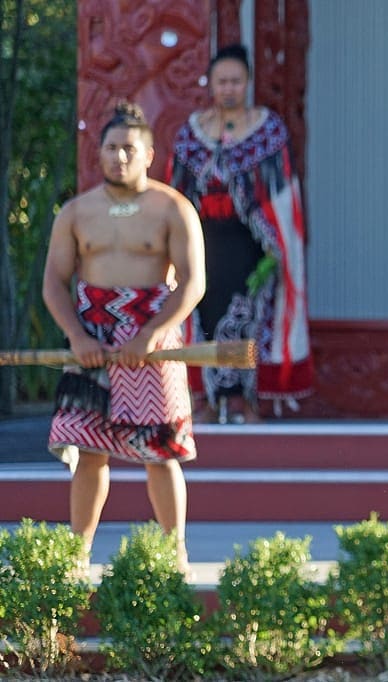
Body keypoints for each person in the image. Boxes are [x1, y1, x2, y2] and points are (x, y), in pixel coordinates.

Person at [42, 102, 205, 574]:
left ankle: (175, 554)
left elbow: (193, 283)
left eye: (129, 149)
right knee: (88, 450)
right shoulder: (76, 211)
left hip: (153, 341)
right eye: (111, 148)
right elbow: (55, 281)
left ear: (149, 153)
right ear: (100, 153)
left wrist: (150, 335)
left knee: (162, 452)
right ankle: (77, 556)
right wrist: (76, 335)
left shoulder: (173, 207)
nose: (120, 157)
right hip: (91, 337)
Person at [169, 43, 312, 424]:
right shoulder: (192, 135)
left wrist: (275, 248)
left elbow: (283, 197)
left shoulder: (269, 131)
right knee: (202, 313)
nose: (229, 88)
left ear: (247, 83)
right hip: (203, 242)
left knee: (247, 316)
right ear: (211, 85)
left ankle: (242, 398)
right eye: (222, 81)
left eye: (236, 81)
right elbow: (177, 194)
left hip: (251, 244)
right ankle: (203, 396)